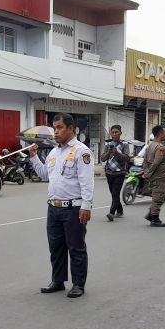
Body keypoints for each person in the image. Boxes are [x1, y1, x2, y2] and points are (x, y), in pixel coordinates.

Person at [28, 113, 94, 298]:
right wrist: (34, 157)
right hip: (54, 208)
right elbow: (45, 175)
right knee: (56, 247)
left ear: (71, 128)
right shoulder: (54, 152)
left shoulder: (82, 152)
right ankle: (58, 281)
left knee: (76, 247)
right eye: (54, 128)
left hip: (73, 208)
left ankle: (78, 284)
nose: (55, 131)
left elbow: (87, 182)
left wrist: (86, 206)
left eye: (59, 128)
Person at [142, 125, 165, 227]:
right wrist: (148, 173)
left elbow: (145, 161)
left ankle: (151, 214)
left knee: (162, 196)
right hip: (159, 176)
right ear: (160, 134)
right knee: (158, 197)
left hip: (156, 176)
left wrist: (146, 171)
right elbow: (156, 162)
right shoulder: (160, 147)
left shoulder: (150, 145)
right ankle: (154, 218)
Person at [100, 125, 130, 221]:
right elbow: (103, 158)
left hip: (120, 173)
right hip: (109, 173)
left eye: (116, 132)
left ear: (120, 133)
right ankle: (120, 210)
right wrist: (109, 152)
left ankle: (111, 213)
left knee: (115, 193)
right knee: (114, 194)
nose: (114, 134)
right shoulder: (108, 144)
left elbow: (126, 158)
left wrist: (116, 152)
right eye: (112, 132)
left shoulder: (124, 144)